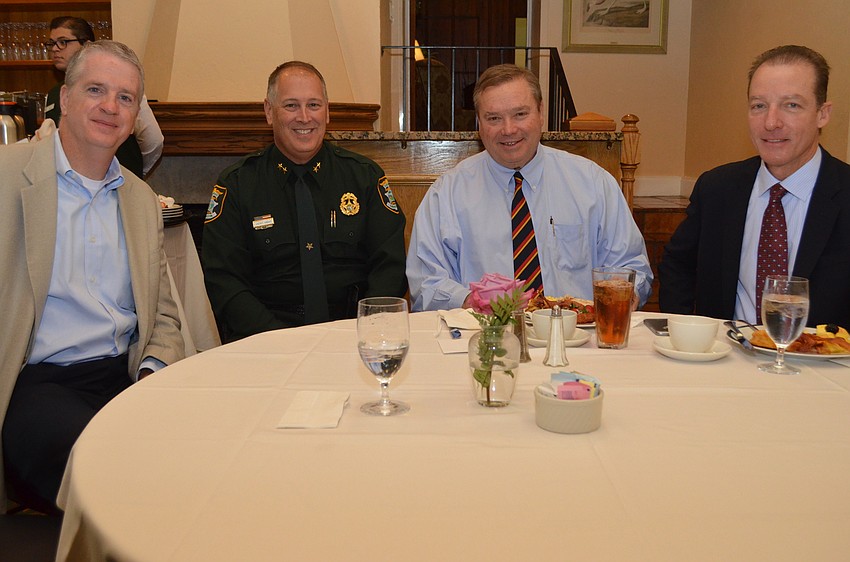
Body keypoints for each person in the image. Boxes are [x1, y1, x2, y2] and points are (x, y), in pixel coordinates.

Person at [0, 40, 184, 515]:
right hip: (38, 383)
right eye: (96, 89)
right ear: (64, 98)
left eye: (126, 97)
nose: (110, 106)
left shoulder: (141, 200)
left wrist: (151, 372)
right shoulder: (7, 179)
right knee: (115, 472)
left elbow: (163, 312)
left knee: (202, 455)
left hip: (125, 377)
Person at [406, 64, 652, 311]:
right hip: (485, 339)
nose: (509, 129)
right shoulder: (446, 193)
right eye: (494, 118)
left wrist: (622, 294)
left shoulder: (594, 183)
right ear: (478, 123)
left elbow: (631, 268)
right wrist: (473, 301)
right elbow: (426, 284)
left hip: (578, 340)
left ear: (541, 112)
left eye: (520, 114)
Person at [202, 61, 407, 341]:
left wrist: (365, 330)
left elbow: (390, 266)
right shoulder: (237, 185)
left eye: (313, 105)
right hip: (266, 340)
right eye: (290, 106)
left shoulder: (365, 178)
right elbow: (224, 280)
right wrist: (277, 340)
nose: (304, 117)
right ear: (268, 112)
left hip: (353, 335)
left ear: (327, 111)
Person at [659, 45, 850, 327]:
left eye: (791, 105)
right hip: (725, 361)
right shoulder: (717, 189)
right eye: (759, 106)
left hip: (822, 366)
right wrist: (686, 335)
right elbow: (678, 267)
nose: (771, 123)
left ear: (823, 114)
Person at [44, 16, 164, 177]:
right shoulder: (52, 94)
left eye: (63, 41)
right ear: (65, 98)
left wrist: (135, 175)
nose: (56, 49)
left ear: (86, 45)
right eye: (94, 90)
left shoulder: (129, 88)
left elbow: (153, 141)